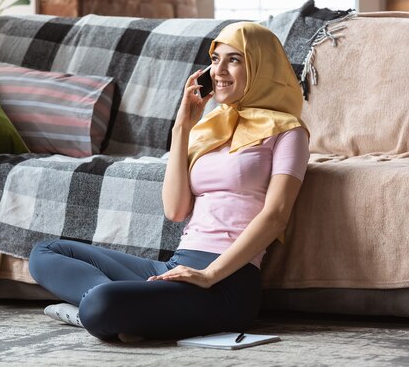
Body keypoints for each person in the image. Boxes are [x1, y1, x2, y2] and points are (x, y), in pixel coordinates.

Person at [28, 22, 310, 342]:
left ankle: (105, 309)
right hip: (177, 266)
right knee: (45, 252)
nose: (218, 70)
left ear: (260, 65)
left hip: (227, 284)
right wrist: (182, 126)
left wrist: (208, 275)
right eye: (215, 59)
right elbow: (175, 209)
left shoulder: (289, 132)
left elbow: (276, 215)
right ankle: (123, 312)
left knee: (100, 304)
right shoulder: (210, 129)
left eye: (234, 59)